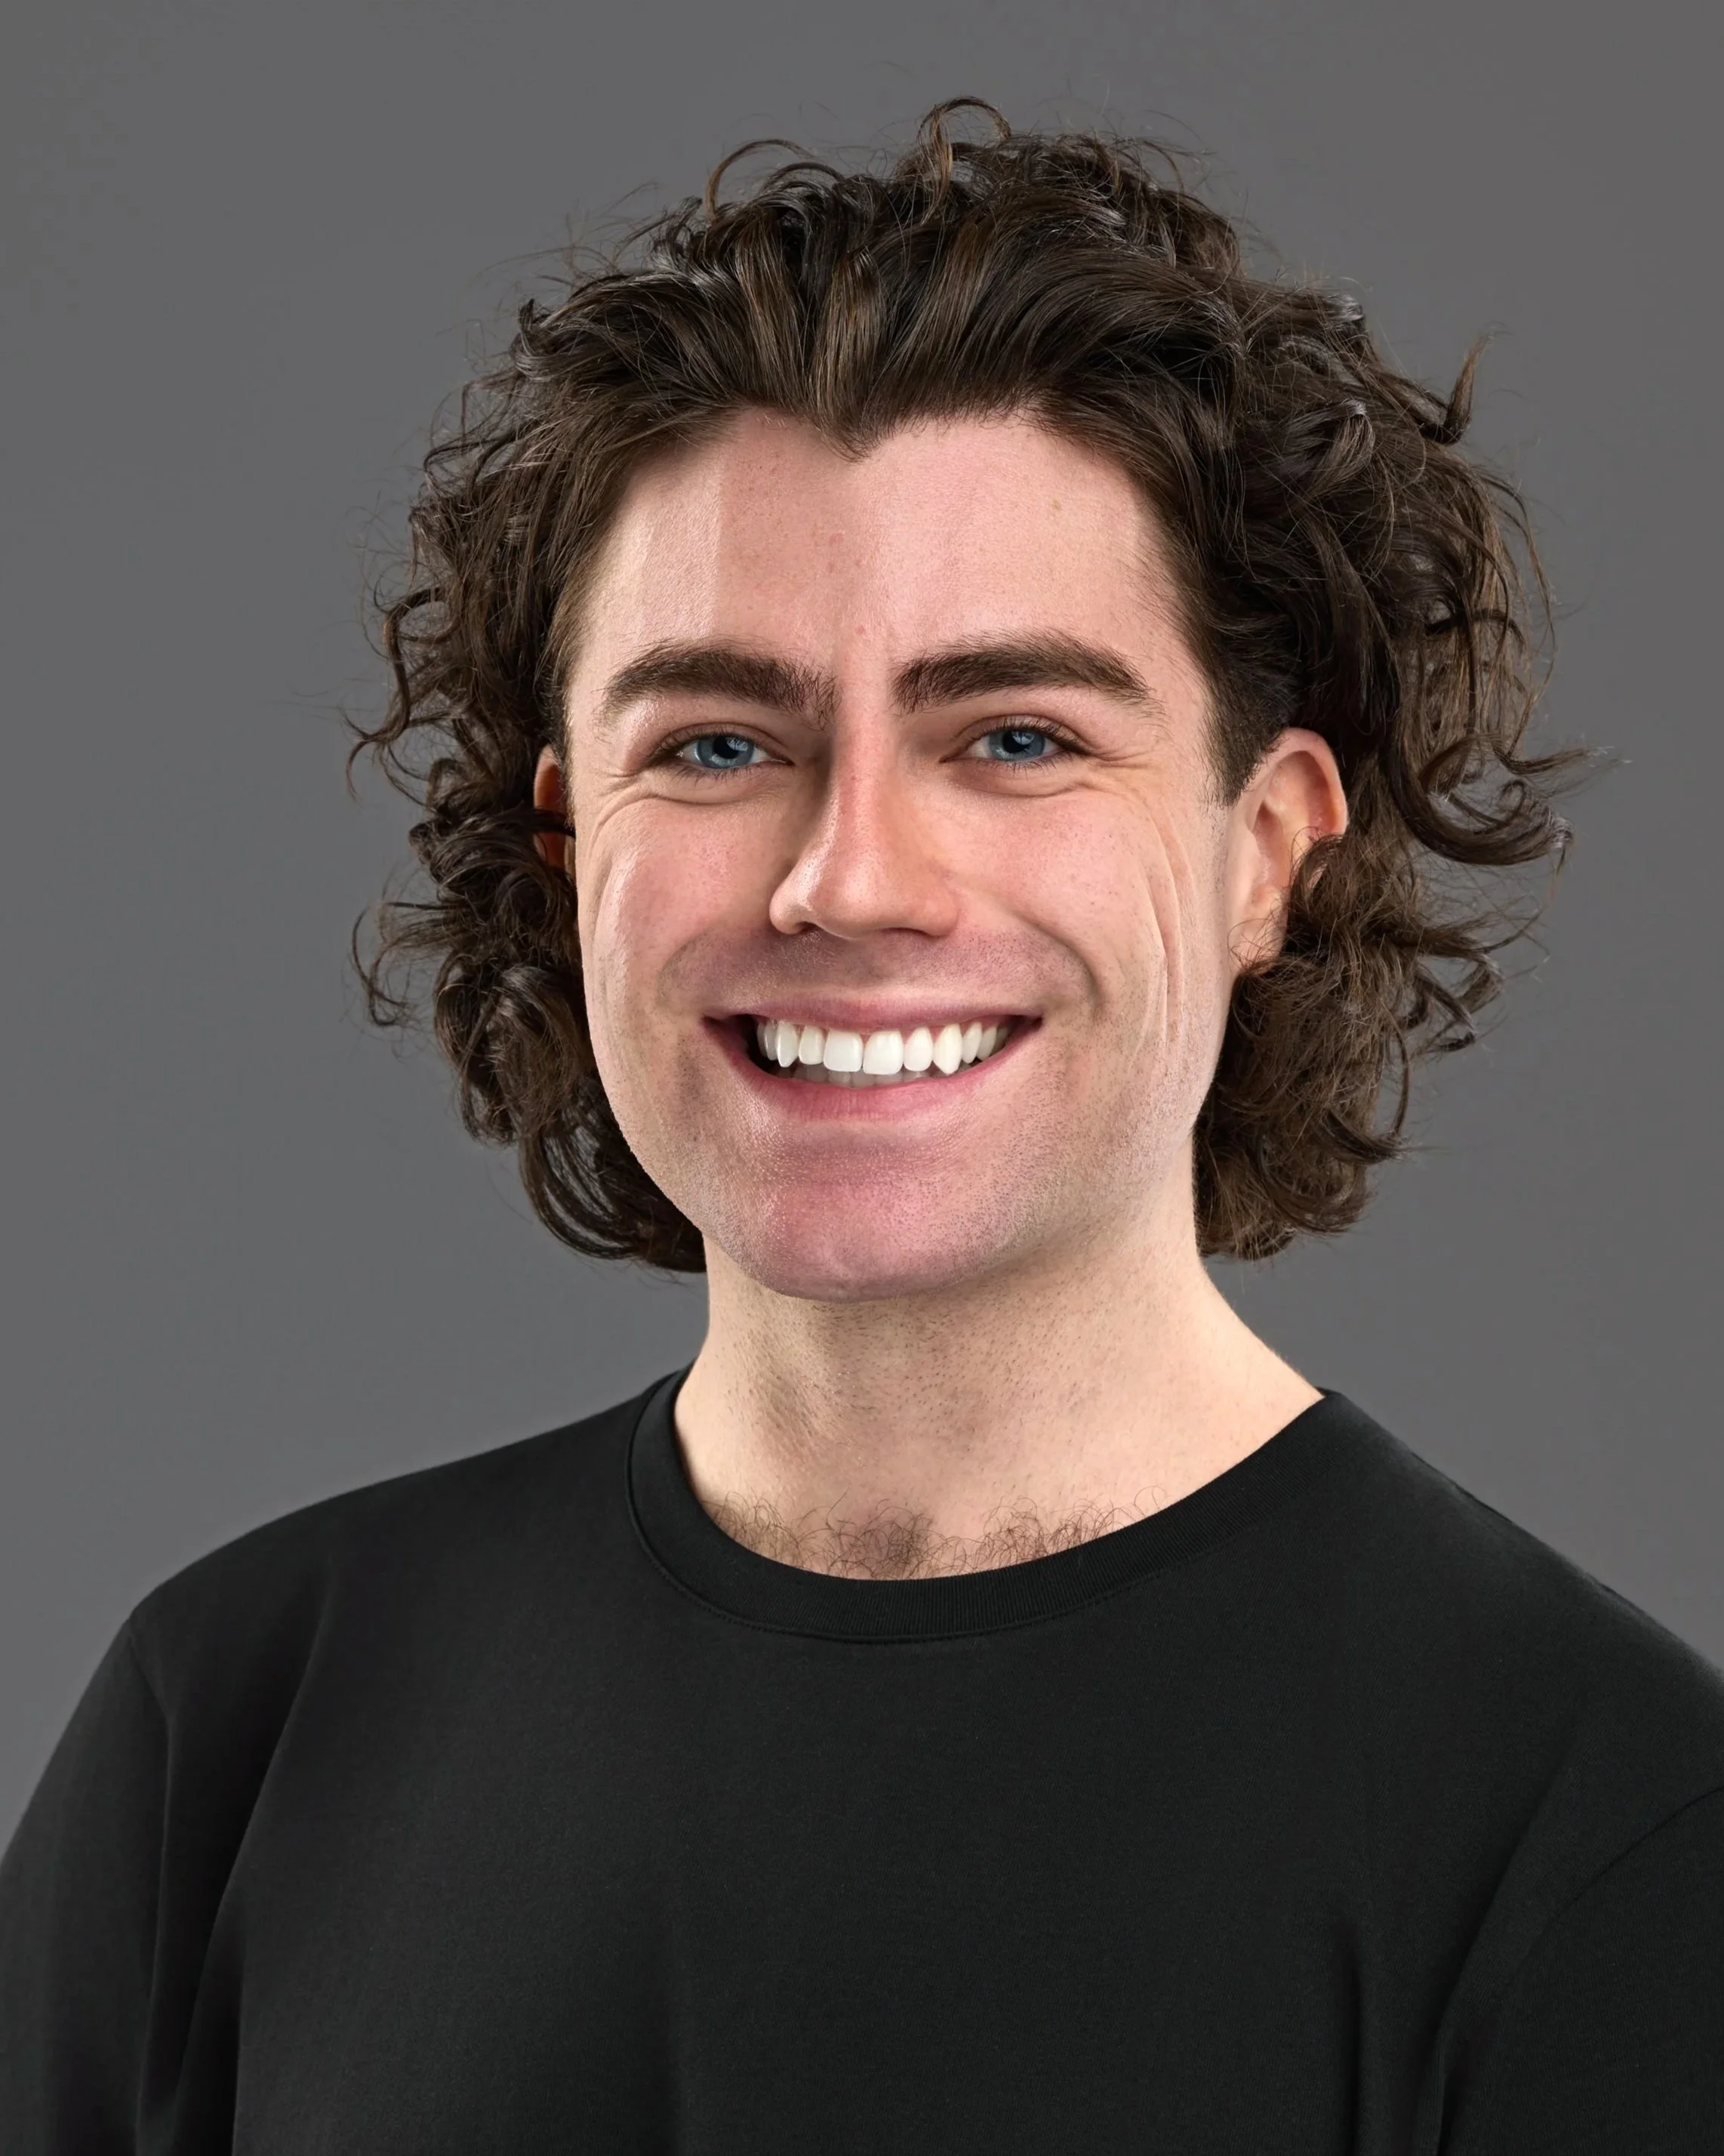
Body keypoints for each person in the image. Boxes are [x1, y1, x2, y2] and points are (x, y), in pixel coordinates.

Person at [2, 101, 1720, 2154]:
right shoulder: (241, 1723)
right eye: (718, 742)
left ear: (1263, 851)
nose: (846, 877)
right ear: (567, 846)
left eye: (1011, 737)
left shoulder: (1611, 1841)